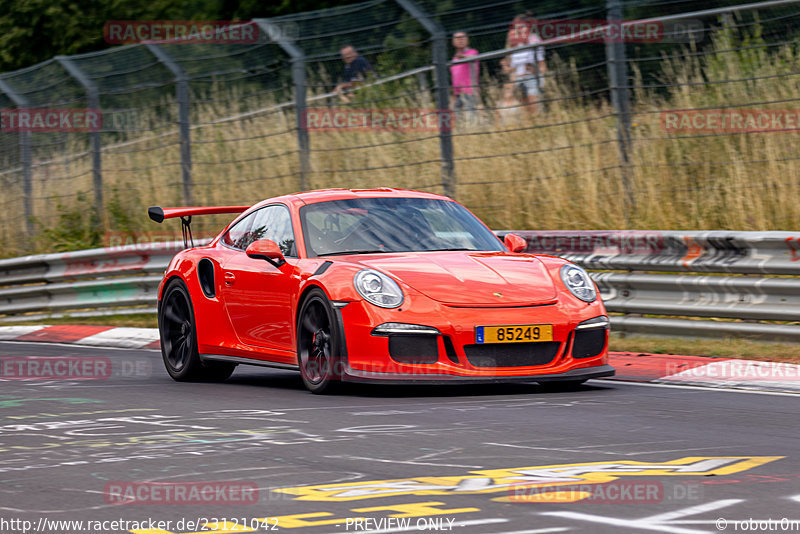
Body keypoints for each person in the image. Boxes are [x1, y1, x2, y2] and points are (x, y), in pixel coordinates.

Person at [507, 13, 546, 115]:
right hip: (519, 79)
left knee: (533, 109)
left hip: (531, 78)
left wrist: (536, 71)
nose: (518, 29)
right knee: (524, 112)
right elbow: (512, 67)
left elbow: (542, 64)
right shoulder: (514, 43)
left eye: (522, 26)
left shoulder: (534, 39)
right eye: (516, 26)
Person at [449, 31, 479, 124]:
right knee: (458, 122)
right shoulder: (453, 60)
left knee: (472, 120)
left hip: (470, 93)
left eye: (463, 37)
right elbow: (454, 80)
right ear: (453, 42)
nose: (460, 40)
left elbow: (470, 57)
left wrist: (461, 56)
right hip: (458, 95)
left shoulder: (473, 52)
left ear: (467, 40)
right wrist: (453, 96)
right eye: (457, 38)